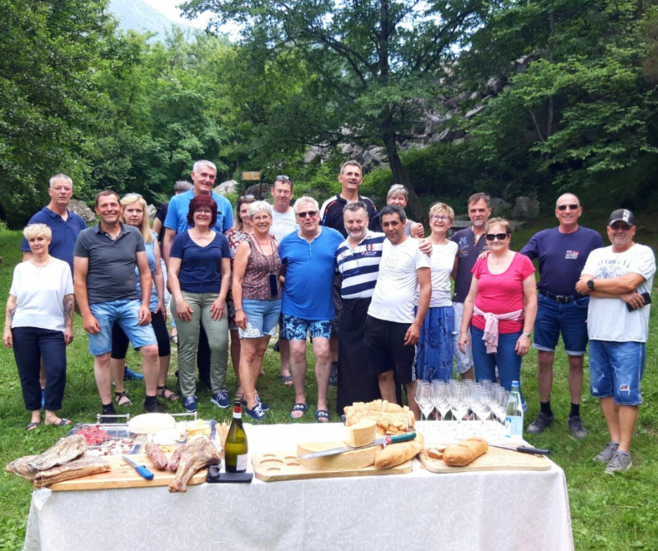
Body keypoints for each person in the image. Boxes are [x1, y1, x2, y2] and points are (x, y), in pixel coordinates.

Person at [576, 209, 655, 474]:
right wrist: (619, 293)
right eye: (615, 227)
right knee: (605, 391)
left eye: (624, 227)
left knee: (627, 394)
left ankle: (624, 452)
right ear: (608, 230)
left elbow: (629, 282)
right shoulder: (598, 254)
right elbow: (580, 285)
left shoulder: (642, 254)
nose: (619, 231)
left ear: (633, 230)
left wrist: (596, 285)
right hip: (598, 333)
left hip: (628, 335)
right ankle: (614, 440)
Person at [521, 194, 604, 439]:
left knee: (576, 361)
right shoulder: (542, 237)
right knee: (544, 358)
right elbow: (520, 259)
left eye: (572, 206)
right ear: (556, 212)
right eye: (562, 207)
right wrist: (491, 254)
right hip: (546, 303)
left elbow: (602, 271)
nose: (567, 210)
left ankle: (575, 414)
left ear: (580, 210)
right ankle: (545, 412)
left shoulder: (592, 238)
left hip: (577, 306)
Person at [74, 191, 162, 419]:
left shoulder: (133, 234)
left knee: (152, 349)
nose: (110, 208)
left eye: (114, 204)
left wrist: (144, 303)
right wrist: (86, 314)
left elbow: (145, 272)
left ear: (119, 209)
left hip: (130, 302)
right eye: (104, 205)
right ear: (97, 210)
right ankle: (107, 407)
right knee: (103, 356)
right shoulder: (86, 236)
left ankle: (151, 400)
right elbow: (79, 279)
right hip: (99, 305)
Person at [162, 161, 233, 389]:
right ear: (193, 175)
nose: (208, 179)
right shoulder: (177, 202)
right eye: (203, 175)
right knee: (189, 338)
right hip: (186, 276)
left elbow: (228, 238)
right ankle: (189, 384)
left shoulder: (224, 204)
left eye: (212, 176)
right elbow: (169, 237)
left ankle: (209, 379)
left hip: (213, 275)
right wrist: (172, 278)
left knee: (214, 337)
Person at [19, 174, 88, 399]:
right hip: (51, 289)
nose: (62, 192)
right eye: (58, 188)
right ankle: (43, 383)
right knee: (46, 332)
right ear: (50, 191)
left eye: (67, 188)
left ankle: (115, 366)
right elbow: (27, 258)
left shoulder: (78, 220)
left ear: (71, 191)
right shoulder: (40, 219)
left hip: (78, 284)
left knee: (98, 322)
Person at [458, 218, 537, 403]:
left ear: (509, 237)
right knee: (484, 379)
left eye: (500, 235)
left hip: (510, 331)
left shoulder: (522, 262)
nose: (496, 240)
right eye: (491, 236)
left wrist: (526, 334)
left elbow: (531, 301)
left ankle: (512, 420)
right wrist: (463, 332)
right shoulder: (481, 262)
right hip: (480, 329)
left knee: (509, 381)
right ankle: (488, 421)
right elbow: (470, 298)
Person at [279, 196, 344, 422]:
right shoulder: (286, 242)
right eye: (302, 214)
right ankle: (300, 398)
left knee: (323, 351)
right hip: (293, 306)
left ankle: (322, 402)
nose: (308, 217)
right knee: (296, 351)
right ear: (296, 218)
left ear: (318, 214)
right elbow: (277, 267)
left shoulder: (334, 237)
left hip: (322, 308)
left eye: (312, 213)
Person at [364, 205, 431, 420]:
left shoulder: (418, 248)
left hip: (403, 322)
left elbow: (426, 287)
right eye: (386, 224)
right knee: (383, 373)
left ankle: (414, 426)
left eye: (395, 223)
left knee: (409, 379)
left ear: (404, 223)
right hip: (375, 318)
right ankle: (393, 423)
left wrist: (417, 324)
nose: (391, 228)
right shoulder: (381, 243)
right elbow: (357, 231)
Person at [4, 224, 74, 429]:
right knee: (28, 371)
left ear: (48, 241)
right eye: (32, 240)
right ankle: (35, 414)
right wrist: (7, 327)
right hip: (23, 325)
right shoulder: (21, 269)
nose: (36, 243)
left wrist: (68, 326)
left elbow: (68, 298)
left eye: (40, 239)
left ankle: (51, 413)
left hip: (53, 327)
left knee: (57, 368)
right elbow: (12, 300)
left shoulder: (62, 267)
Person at [109, 194, 175, 407]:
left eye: (139, 210)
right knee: (118, 346)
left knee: (163, 344)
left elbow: (157, 270)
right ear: (122, 212)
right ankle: (119, 391)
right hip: (121, 299)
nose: (135, 214)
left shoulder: (151, 238)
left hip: (150, 299)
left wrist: (161, 300)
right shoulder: (113, 236)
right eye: (130, 210)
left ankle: (160, 385)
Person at [168, 195, 231, 413]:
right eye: (199, 210)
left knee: (220, 343)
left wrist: (222, 298)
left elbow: (226, 272)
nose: (203, 214)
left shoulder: (220, 240)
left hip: (214, 297)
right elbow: (172, 273)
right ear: (192, 214)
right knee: (188, 345)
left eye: (207, 211)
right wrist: (179, 300)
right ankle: (188, 392)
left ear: (213, 215)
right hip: (187, 296)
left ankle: (218, 389)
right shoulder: (181, 239)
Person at [320, 161, 379, 386]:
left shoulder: (369, 204)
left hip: (366, 269)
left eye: (357, 174)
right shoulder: (330, 204)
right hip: (338, 269)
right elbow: (322, 232)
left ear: (361, 179)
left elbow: (379, 231)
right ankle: (336, 365)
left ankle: (366, 360)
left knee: (367, 319)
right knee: (338, 318)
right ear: (340, 178)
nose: (353, 177)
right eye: (349, 174)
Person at [233, 201, 283, 421]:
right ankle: (251, 400)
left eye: (266, 217)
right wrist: (238, 309)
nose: (262, 221)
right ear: (251, 221)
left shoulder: (275, 243)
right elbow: (237, 279)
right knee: (248, 352)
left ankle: (249, 392)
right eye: (258, 218)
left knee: (261, 350)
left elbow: (278, 271)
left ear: (271, 219)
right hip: (251, 303)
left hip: (274, 303)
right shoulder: (246, 244)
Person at [450, 193, 492, 380]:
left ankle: (491, 396)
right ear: (468, 212)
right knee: (463, 352)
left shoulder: (496, 236)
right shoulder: (459, 236)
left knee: (490, 349)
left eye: (481, 210)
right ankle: (470, 397)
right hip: (461, 300)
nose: (477, 214)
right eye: (473, 210)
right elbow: (452, 267)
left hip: (488, 303)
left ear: (489, 212)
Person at [416, 203, 458, 382]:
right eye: (436, 216)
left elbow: (456, 275)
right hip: (418, 306)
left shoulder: (454, 247)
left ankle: (438, 403)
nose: (439, 220)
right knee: (418, 353)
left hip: (442, 306)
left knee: (442, 355)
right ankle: (417, 397)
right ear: (430, 220)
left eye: (444, 217)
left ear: (450, 224)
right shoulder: (418, 244)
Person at [152, 180, 193, 346]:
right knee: (174, 295)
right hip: (167, 256)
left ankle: (177, 329)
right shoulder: (166, 207)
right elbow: (156, 232)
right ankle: (174, 328)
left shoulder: (193, 208)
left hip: (188, 257)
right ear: (177, 193)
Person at [224, 195, 256, 398]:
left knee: (254, 340)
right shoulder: (230, 235)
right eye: (244, 211)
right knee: (236, 338)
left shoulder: (266, 233)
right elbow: (225, 265)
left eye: (251, 210)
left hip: (258, 293)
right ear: (239, 213)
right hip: (234, 293)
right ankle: (240, 382)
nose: (248, 215)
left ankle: (251, 380)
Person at [269, 175, 298, 387]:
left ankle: (284, 367)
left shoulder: (297, 215)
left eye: (286, 191)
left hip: (289, 273)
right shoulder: (264, 212)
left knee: (285, 324)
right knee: (260, 319)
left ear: (291, 193)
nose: (282, 194)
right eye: (279, 190)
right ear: (273, 191)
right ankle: (257, 363)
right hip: (265, 272)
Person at [152, 180, 194, 247]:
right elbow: (154, 235)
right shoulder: (165, 208)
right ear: (177, 193)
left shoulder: (193, 209)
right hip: (166, 249)